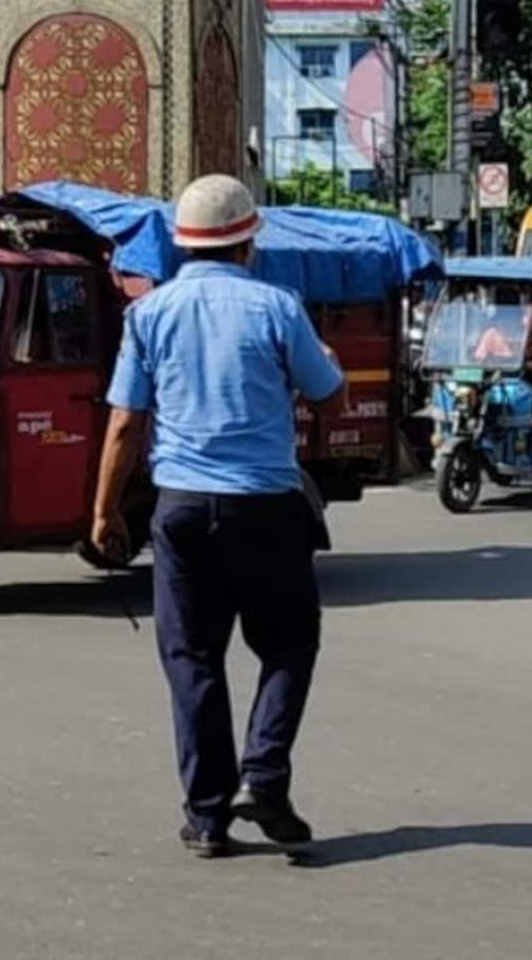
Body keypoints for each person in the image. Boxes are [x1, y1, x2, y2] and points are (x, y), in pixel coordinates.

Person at [88, 175, 347, 860]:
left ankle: (206, 816)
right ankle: (263, 775)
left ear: (184, 244)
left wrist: (104, 511)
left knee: (192, 657)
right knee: (289, 643)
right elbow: (330, 398)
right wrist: (328, 367)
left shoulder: (149, 315)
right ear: (246, 242)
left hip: (180, 509)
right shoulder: (278, 307)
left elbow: (124, 422)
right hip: (267, 506)